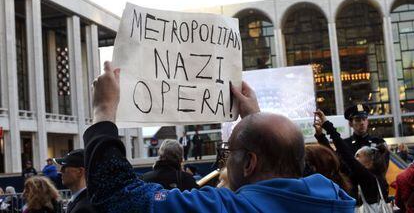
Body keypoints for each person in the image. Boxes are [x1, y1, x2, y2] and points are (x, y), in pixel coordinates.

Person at [82, 61, 355, 213]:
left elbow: (119, 196)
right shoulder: (334, 198)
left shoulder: (228, 209)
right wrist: (254, 120)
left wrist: (103, 111)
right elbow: (286, 165)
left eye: (229, 152)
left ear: (249, 163)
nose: (225, 162)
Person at [314, 109, 389, 206]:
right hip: (352, 191)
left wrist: (327, 125)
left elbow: (349, 159)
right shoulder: (347, 143)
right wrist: (321, 137)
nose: (361, 123)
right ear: (350, 123)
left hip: (365, 192)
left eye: (364, 119)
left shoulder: (378, 143)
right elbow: (337, 160)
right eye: (358, 120)